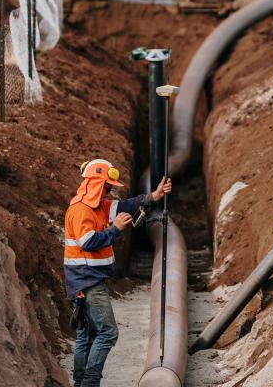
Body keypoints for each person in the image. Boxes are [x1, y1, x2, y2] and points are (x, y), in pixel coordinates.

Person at [65, 159, 172, 387]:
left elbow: (124, 206)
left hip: (83, 282)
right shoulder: (81, 210)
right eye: (106, 187)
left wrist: (152, 197)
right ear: (95, 184)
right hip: (88, 283)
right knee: (107, 333)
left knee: (86, 335)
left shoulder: (97, 206)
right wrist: (116, 230)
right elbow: (88, 242)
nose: (109, 191)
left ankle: (80, 383)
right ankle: (90, 383)